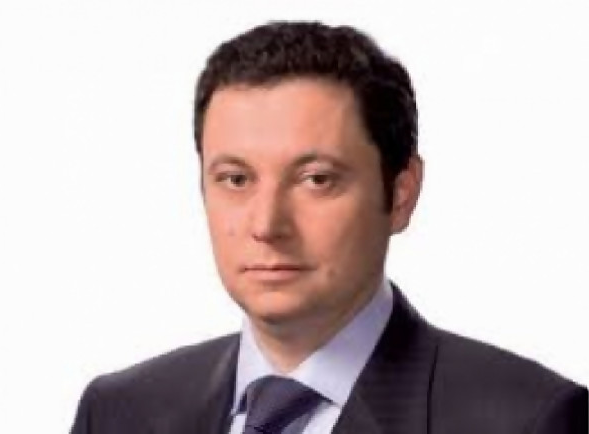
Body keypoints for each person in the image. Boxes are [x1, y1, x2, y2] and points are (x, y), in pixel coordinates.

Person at [70, 21, 587, 434]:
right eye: (236, 179)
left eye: (316, 179)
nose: (267, 224)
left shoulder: (529, 420)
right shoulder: (118, 413)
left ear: (401, 193)